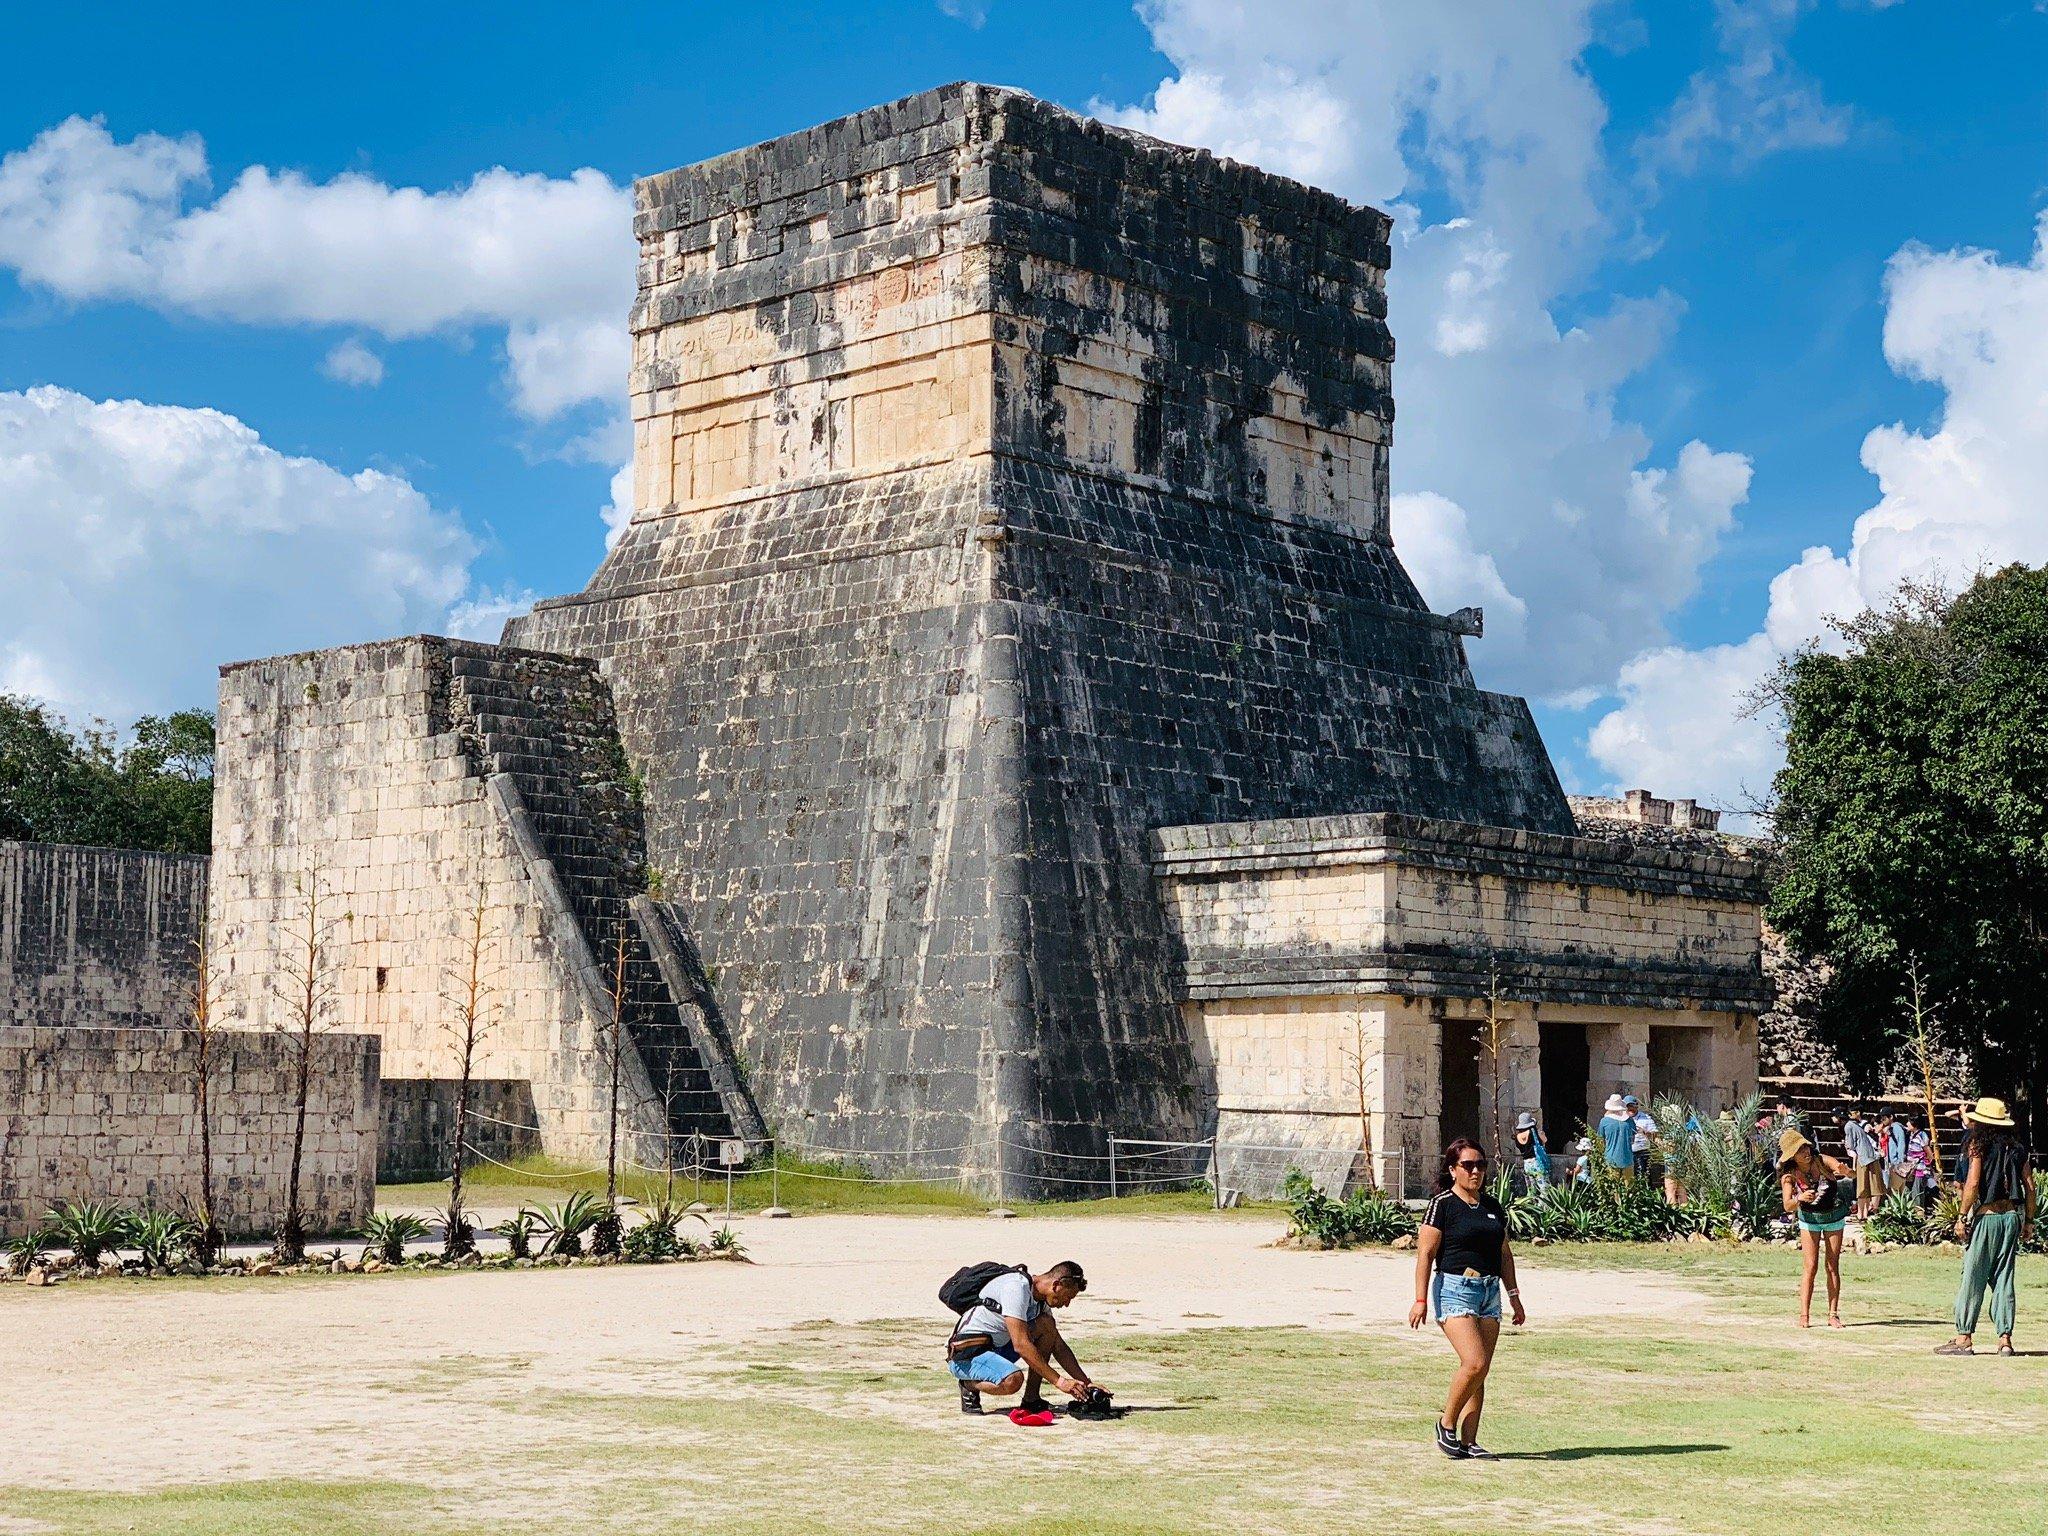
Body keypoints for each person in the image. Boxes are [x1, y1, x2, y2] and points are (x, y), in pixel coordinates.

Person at [1410, 1139, 1526, 1460]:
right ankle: (1446, 1424)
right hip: (1454, 1288)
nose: (1476, 1171)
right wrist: (1420, 1299)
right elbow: (1425, 1254)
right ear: (1453, 1170)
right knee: (1474, 1362)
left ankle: (1469, 1442)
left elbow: (1504, 1255)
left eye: (1481, 1165)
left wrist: (1514, 1296)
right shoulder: (1442, 1204)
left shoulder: (1492, 1206)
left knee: (1481, 1369)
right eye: (1468, 1165)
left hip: (1489, 1292)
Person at [1936, 1098, 2038, 1358]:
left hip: (1988, 1216)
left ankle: (1964, 1337)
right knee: (2004, 1277)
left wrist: (1961, 1217)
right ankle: (2005, 1340)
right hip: (2011, 1218)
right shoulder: (2017, 1148)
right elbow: (2030, 1187)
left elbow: (1972, 1183)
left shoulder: (1977, 1145)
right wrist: (2029, 1220)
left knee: (1973, 1275)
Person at [946, 1260, 1099, 1421]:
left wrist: (1087, 1384)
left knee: (1046, 1326)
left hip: (994, 1348)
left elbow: (1058, 1345)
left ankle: (1031, 1399)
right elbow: (1021, 1345)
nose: (1066, 1304)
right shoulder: (1016, 1288)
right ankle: (969, 1384)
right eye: (1068, 1297)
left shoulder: (1040, 1301)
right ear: (1056, 1285)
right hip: (967, 1355)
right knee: (1013, 1380)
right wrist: (1060, 1382)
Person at [1779, 1127, 1850, 1329]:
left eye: (1806, 1147)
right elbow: (1787, 1205)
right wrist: (1799, 1198)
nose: (1806, 1152)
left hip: (1834, 1216)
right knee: (1810, 1267)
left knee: (1832, 1265)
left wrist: (1846, 1171)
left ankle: (1833, 1314)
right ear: (1792, 1156)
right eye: (1800, 1150)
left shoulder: (1821, 1160)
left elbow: (1847, 1171)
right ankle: (1804, 1315)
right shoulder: (1789, 1176)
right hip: (1809, 1220)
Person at [1840, 1107, 1883, 1218]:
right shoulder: (1856, 1125)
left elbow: (1851, 1145)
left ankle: (1860, 1214)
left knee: (1862, 1188)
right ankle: (1866, 1213)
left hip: (1862, 1159)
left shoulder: (1848, 1126)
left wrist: (1847, 1147)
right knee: (1871, 1187)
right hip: (1871, 1157)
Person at [1597, 1094, 1636, 1176]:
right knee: (1629, 1183)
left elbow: (1600, 1141)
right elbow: (1633, 1139)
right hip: (1627, 1158)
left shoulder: (1604, 1121)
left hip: (1611, 1159)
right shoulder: (1629, 1121)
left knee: (1612, 1183)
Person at [1512, 1112, 1551, 1189]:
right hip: (1537, 1163)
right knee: (1545, 1189)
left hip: (1526, 1165)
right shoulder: (1533, 1132)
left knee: (1532, 1190)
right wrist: (1542, 1134)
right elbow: (1544, 1140)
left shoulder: (1517, 1136)